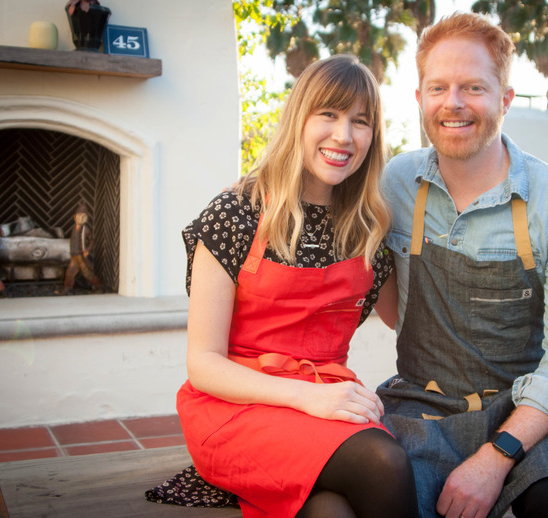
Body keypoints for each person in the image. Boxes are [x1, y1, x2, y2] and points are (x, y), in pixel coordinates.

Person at [373, 13, 548, 518]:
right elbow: (390, 305)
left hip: (527, 411)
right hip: (421, 405)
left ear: (505, 99)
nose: (453, 103)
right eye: (439, 87)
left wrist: (495, 458)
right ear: (419, 99)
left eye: (473, 87)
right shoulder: (396, 183)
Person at [176, 54, 419, 518]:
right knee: (383, 463)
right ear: (298, 118)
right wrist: (311, 398)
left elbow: (409, 321)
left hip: (323, 401)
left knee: (331, 512)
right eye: (328, 114)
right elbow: (203, 364)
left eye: (360, 121)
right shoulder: (236, 212)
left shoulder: (366, 227)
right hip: (234, 409)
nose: (344, 136)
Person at [56, 202, 103, 295]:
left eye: (84, 216)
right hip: (74, 255)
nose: (81, 218)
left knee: (87, 273)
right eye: (79, 215)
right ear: (75, 217)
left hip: (81, 256)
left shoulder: (86, 230)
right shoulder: (74, 229)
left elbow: (92, 241)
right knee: (70, 273)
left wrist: (87, 250)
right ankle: (68, 289)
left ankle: (99, 287)